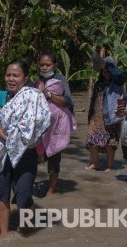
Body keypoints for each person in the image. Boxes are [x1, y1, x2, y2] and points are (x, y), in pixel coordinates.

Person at [0, 60, 51, 237]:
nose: (11, 78)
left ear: (25, 78)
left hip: (26, 153)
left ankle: (26, 227)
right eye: (8, 75)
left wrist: (23, 143)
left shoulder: (33, 97)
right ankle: (4, 236)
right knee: (1, 194)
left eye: (16, 75)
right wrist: (9, 140)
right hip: (2, 151)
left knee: (24, 193)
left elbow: (42, 121)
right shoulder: (0, 96)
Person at [34, 52, 76, 194]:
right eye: (42, 65)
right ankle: (28, 188)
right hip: (37, 126)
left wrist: (49, 95)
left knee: (54, 159)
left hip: (56, 127)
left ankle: (51, 191)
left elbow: (68, 101)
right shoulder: (34, 80)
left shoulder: (60, 79)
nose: (45, 67)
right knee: (32, 157)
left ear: (55, 65)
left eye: (48, 64)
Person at [86, 55, 126, 172]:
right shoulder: (99, 84)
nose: (105, 73)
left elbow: (120, 76)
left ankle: (109, 166)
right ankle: (95, 163)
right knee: (91, 140)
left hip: (112, 117)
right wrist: (90, 115)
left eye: (107, 71)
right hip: (97, 117)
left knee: (110, 143)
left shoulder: (117, 83)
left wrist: (108, 65)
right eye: (103, 71)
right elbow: (94, 100)